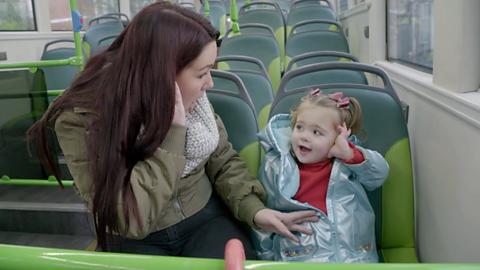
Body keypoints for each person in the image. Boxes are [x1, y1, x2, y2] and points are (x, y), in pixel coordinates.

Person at [27, 1, 317, 259]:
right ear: (160, 74)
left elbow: (223, 160)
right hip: (135, 235)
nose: (209, 85)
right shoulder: (80, 119)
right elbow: (129, 219)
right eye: (202, 74)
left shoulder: (194, 100)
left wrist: (254, 208)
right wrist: (173, 133)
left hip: (205, 216)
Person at [252, 89, 390, 263]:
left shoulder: (348, 162)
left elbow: (379, 175)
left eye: (316, 132)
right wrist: (265, 257)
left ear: (337, 138)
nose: (304, 136)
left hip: (354, 257)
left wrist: (348, 154)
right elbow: (265, 213)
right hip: (300, 257)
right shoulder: (276, 166)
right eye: (299, 127)